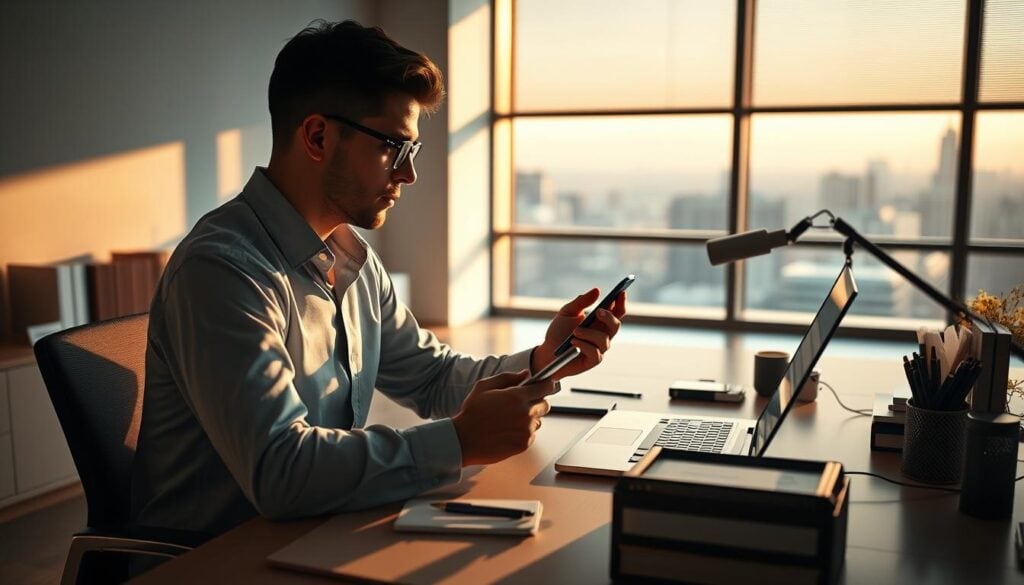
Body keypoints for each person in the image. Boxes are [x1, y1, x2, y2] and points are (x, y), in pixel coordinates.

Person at [130, 19, 626, 538]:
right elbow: (280, 472)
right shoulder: (222, 272)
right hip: (217, 558)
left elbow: (431, 379)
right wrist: (457, 442)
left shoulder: (351, 259)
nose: (408, 174)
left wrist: (544, 360)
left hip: (314, 529)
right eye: (394, 146)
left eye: (413, 151)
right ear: (318, 136)